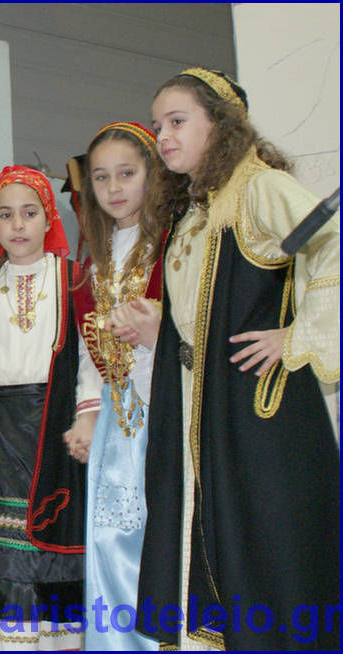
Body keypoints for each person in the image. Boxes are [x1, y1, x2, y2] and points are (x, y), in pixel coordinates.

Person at [134, 67, 339, 650]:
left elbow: (333, 242)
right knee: (211, 539)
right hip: (202, 409)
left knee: (268, 544)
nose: (163, 136)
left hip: (256, 411)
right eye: (158, 125)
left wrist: (297, 338)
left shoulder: (259, 189)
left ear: (219, 125)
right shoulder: (194, 209)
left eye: (177, 121)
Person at [0, 165, 101, 650]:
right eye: (5, 214)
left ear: (49, 217)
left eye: (29, 213)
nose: (17, 225)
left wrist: (87, 418)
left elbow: (91, 358)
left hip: (58, 433)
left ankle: (54, 642)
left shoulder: (76, 280)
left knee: (52, 538)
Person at [68, 122, 167, 651]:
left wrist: (155, 333)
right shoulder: (93, 262)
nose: (114, 188)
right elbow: (90, 349)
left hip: (165, 408)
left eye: (126, 173)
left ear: (152, 174)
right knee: (109, 536)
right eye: (102, 178)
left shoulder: (174, 245)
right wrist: (87, 415)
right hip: (115, 417)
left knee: (155, 537)